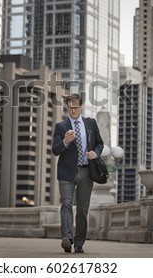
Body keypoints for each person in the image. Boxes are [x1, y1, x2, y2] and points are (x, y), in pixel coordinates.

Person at [52, 93, 104, 253]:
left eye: (76, 107)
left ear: (81, 107)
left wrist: (96, 153)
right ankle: (67, 238)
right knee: (66, 205)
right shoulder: (61, 127)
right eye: (70, 107)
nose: (73, 110)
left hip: (86, 172)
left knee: (82, 210)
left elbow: (100, 144)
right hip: (66, 172)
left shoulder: (90, 124)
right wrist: (66, 141)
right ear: (67, 107)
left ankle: (79, 243)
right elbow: (55, 150)